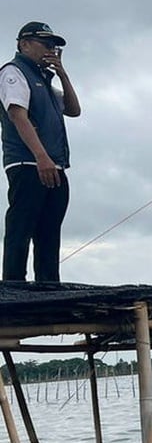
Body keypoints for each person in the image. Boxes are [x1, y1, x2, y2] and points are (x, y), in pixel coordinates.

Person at [1, 22, 81, 282]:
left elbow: (73, 109)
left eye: (53, 46)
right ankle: (14, 291)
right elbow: (17, 115)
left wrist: (63, 74)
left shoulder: (44, 81)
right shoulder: (15, 72)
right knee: (20, 231)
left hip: (55, 165)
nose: (51, 50)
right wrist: (41, 156)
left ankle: (48, 289)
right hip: (27, 164)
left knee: (49, 234)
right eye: (45, 44)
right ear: (24, 43)